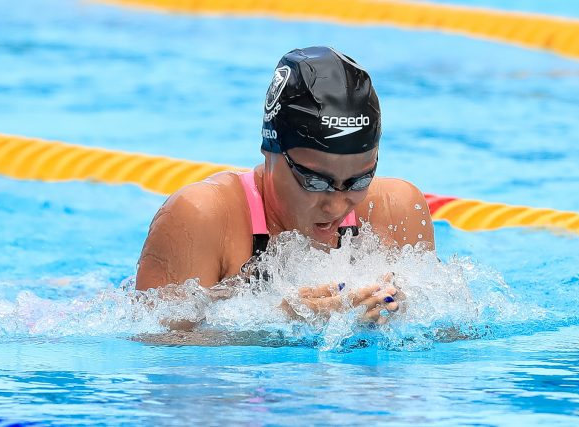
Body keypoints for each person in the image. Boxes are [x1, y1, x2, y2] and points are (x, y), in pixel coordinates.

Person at [136, 46, 435, 327]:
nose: (336, 205)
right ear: (271, 151)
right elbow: (158, 344)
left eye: (360, 180)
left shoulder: (395, 210)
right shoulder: (203, 217)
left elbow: (445, 333)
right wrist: (278, 322)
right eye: (314, 181)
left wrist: (404, 315)